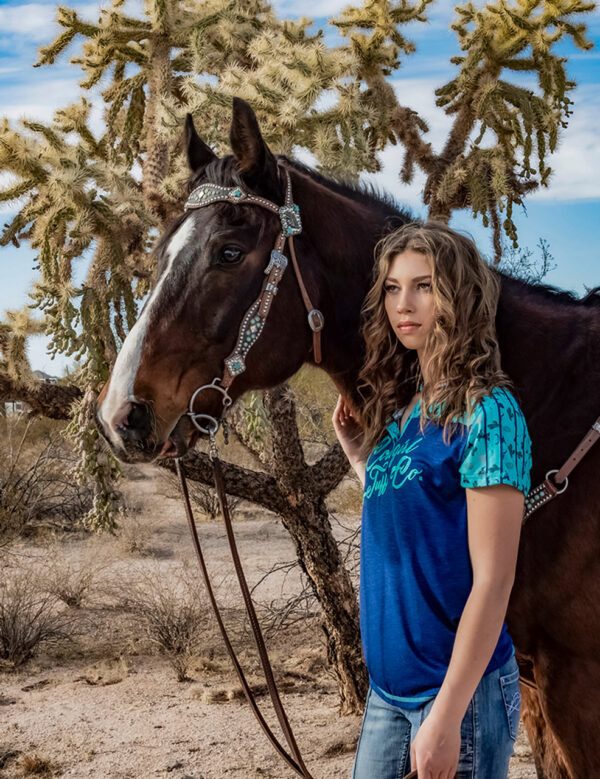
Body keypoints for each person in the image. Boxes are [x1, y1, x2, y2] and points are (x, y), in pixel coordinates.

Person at [332, 222, 532, 779]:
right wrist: (360, 460)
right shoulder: (405, 410)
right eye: (393, 288)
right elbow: (412, 508)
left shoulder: (489, 414)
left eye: (424, 285)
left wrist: (445, 716)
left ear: (460, 295)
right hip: (388, 694)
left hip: (455, 695)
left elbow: (494, 581)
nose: (405, 304)